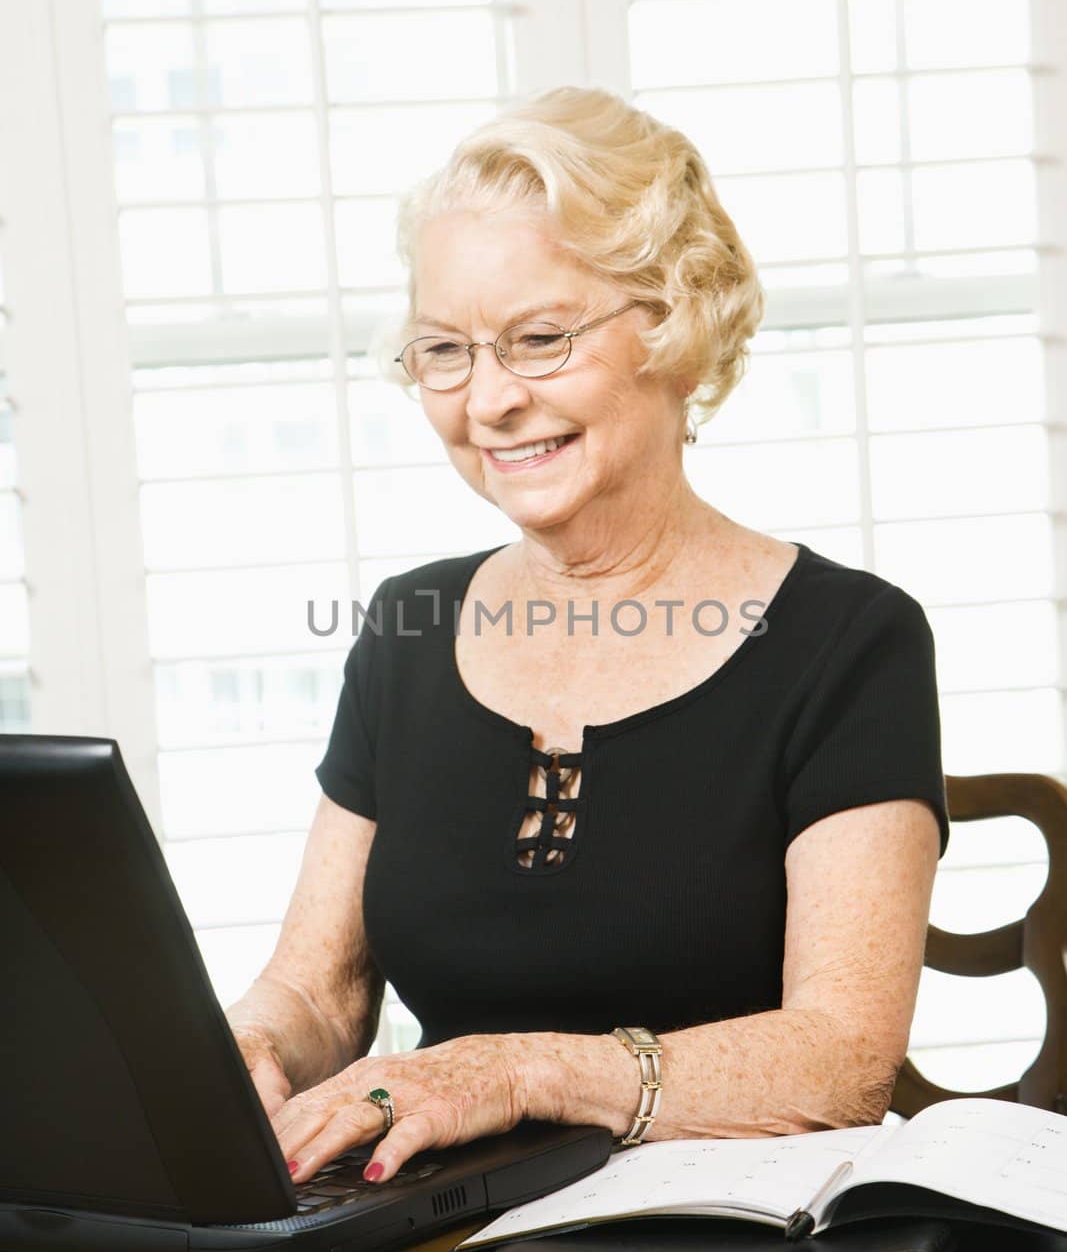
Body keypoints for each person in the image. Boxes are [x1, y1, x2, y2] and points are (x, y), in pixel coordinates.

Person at [226, 87, 949, 1189]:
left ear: (675, 320)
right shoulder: (407, 628)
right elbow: (319, 990)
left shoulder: (850, 640)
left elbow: (840, 1059)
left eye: (539, 338)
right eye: (444, 351)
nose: (490, 400)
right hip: (428, 1250)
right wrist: (243, 1050)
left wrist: (518, 1071)